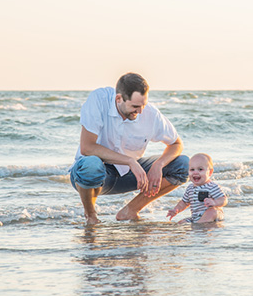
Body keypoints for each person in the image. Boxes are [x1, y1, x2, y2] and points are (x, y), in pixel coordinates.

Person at [69, 72, 189, 224]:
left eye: (143, 105)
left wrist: (159, 165)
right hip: (90, 176)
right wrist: (130, 162)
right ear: (119, 99)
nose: (140, 112)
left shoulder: (150, 113)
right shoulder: (99, 100)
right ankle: (91, 216)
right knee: (91, 164)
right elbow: (87, 147)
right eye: (135, 106)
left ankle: (130, 211)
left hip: (128, 175)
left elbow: (176, 144)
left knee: (183, 165)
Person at [167, 153, 228, 224]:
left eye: (200, 169)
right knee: (181, 223)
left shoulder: (212, 186)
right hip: (196, 217)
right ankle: (198, 223)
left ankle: (199, 224)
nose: (195, 172)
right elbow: (184, 203)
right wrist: (176, 210)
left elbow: (224, 199)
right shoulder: (190, 188)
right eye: (192, 169)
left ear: (210, 172)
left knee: (212, 211)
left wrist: (215, 202)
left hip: (213, 217)